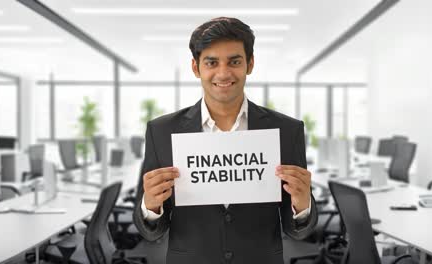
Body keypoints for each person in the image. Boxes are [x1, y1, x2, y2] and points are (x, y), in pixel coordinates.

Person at [133, 17, 317, 264]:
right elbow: (150, 228)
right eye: (211, 62)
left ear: (249, 64)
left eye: (234, 61)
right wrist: (151, 207)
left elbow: (297, 229)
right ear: (196, 68)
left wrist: (303, 205)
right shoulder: (162, 131)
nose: (223, 73)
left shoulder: (287, 130)